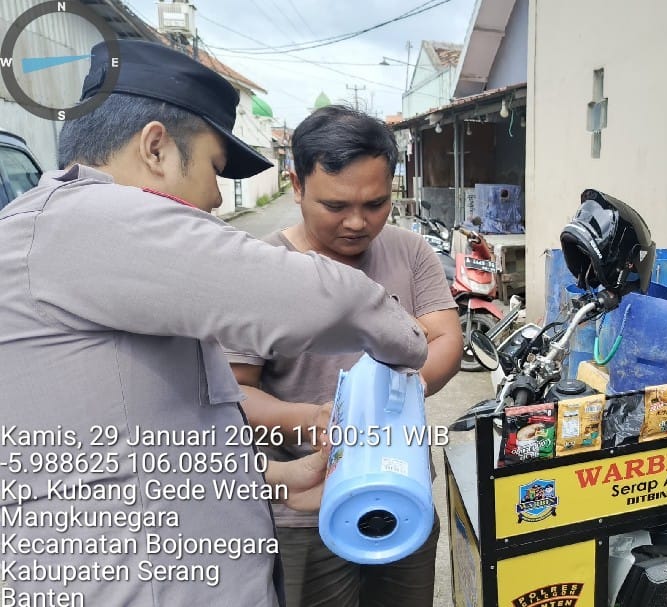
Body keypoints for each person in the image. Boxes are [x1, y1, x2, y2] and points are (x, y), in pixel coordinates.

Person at [0, 41, 427, 606]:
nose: (216, 196)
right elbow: (322, 302)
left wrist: (276, 479)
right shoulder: (82, 221)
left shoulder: (88, 253)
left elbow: (141, 449)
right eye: (213, 167)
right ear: (155, 147)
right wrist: (406, 345)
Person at [226, 105, 463, 607]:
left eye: (375, 204)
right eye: (335, 206)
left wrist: (405, 390)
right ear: (296, 184)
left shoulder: (411, 252)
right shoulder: (258, 270)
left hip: (402, 490)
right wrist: (313, 419)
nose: (357, 223)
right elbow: (233, 391)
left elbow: (446, 338)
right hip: (305, 510)